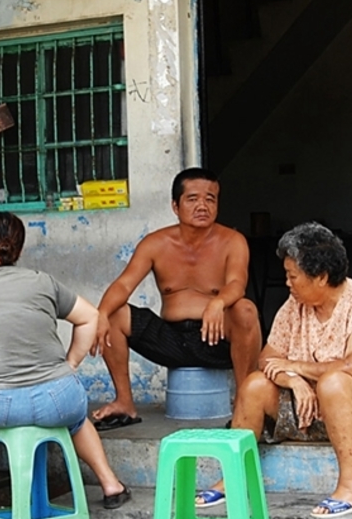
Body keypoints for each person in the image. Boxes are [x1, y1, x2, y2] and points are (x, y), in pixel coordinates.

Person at [196, 221, 352, 518]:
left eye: (293, 276)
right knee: (254, 385)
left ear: (322, 277)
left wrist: (298, 367)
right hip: (312, 409)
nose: (287, 283)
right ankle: (233, 479)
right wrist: (293, 380)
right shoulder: (295, 305)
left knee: (334, 382)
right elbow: (268, 358)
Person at [0, 211, 131, 510]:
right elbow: (90, 316)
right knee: (77, 419)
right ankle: (111, 485)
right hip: (58, 400)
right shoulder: (42, 282)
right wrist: (72, 364)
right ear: (18, 250)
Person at [89, 167, 262, 429]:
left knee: (245, 310)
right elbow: (124, 285)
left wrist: (217, 302)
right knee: (113, 313)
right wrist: (100, 315)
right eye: (192, 199)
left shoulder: (232, 241)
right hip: (170, 341)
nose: (202, 206)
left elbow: (237, 284)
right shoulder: (156, 243)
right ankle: (124, 401)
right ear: (175, 205)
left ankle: (244, 403)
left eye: (210, 199)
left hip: (215, 340)